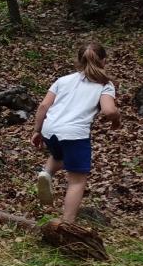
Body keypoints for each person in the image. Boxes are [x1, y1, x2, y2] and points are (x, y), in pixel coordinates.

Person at [31, 42, 121, 224]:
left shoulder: (62, 80)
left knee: (60, 155)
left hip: (51, 130)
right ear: (104, 61)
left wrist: (37, 131)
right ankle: (67, 224)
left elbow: (43, 106)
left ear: (78, 61)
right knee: (77, 181)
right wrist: (117, 119)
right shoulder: (105, 84)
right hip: (74, 133)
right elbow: (109, 111)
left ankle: (46, 173)